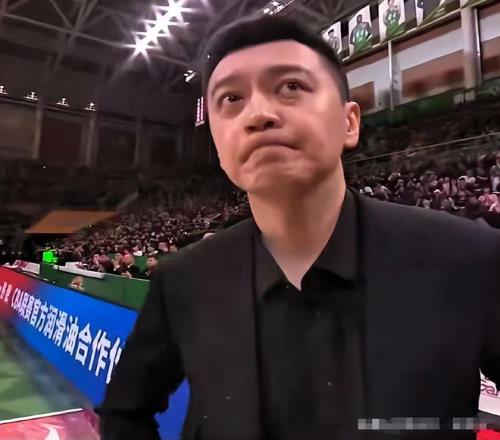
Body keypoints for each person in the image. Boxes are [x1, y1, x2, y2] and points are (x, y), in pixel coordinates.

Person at [97, 15, 500, 440]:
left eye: (290, 86)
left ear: (349, 122)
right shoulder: (184, 279)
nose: (258, 114)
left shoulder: (467, 258)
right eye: (231, 98)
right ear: (217, 142)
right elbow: (124, 411)